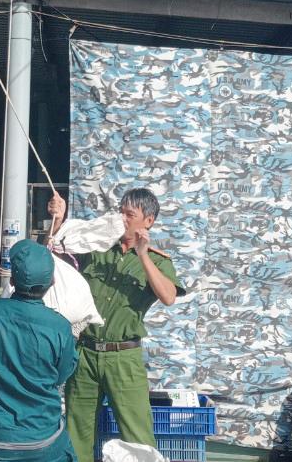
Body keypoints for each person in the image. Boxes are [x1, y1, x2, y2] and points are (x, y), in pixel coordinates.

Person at [47, 188, 186, 462]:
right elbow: (54, 256)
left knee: (137, 433)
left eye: (129, 214)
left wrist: (143, 255)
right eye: (120, 211)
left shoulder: (158, 261)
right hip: (85, 353)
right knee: (77, 431)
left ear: (148, 221)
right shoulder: (97, 247)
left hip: (124, 357)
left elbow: (168, 296)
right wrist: (59, 220)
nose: (121, 218)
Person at [0, 239, 78, 462]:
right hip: (45, 440)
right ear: (52, 281)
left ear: (12, 279)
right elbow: (61, 375)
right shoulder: (60, 327)